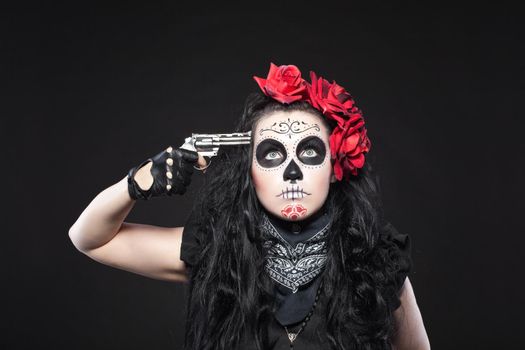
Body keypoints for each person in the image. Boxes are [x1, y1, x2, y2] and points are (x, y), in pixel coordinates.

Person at [69, 63, 430, 349]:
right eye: (272, 154)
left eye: (308, 151)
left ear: (335, 169)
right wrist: (136, 184)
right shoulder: (216, 248)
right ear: (250, 169)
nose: (292, 172)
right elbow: (90, 238)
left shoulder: (377, 256)